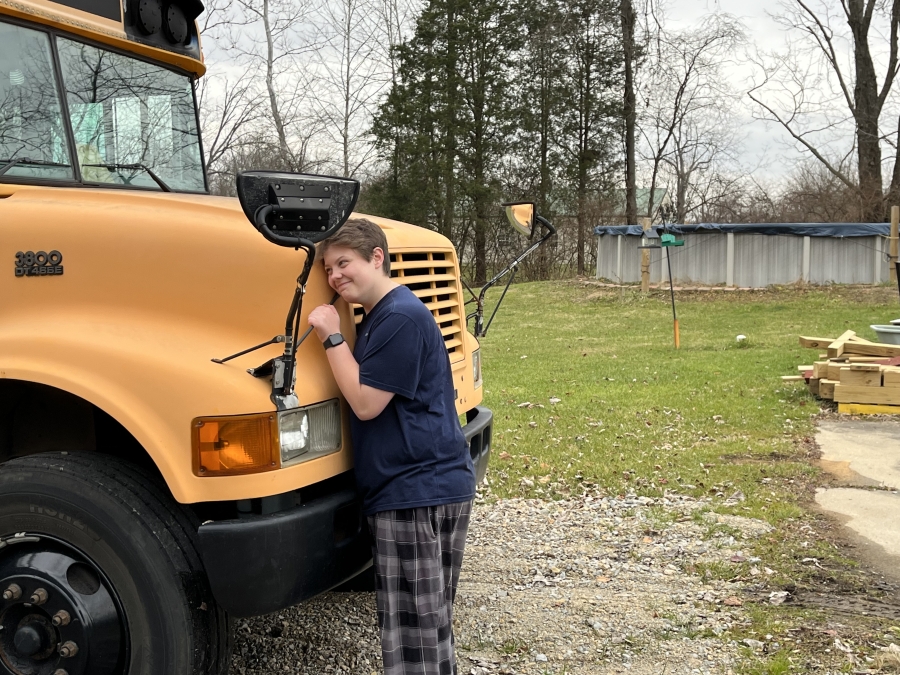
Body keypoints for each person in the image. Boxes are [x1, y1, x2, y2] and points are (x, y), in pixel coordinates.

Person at [307, 218, 476, 675]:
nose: (334, 276)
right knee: (426, 626)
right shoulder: (386, 313)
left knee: (415, 635)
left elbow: (365, 403)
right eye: (327, 268)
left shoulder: (399, 316)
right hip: (426, 484)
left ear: (376, 258)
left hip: (416, 490)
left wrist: (330, 333)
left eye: (344, 263)